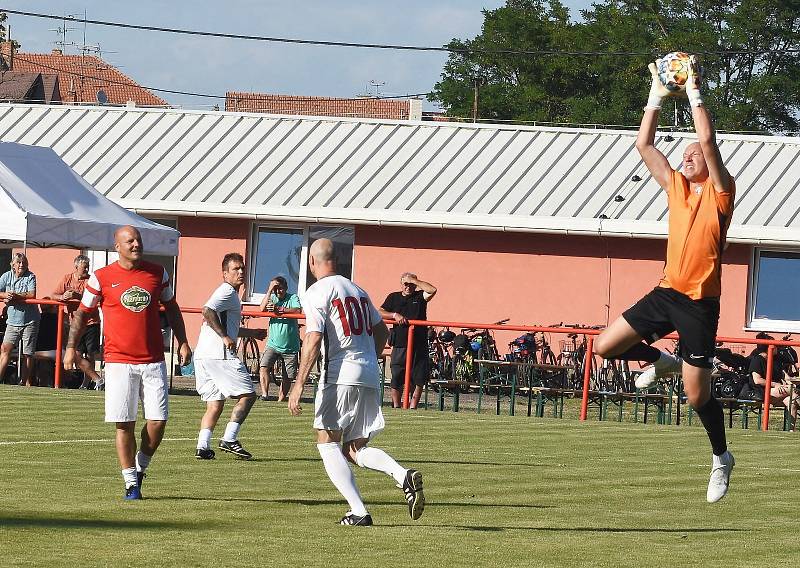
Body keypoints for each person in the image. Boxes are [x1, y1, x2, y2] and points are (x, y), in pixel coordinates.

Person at [594, 56, 736, 503]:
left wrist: (693, 89)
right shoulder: (675, 186)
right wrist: (656, 97)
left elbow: (708, 140)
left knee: (697, 397)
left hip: (698, 305)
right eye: (685, 153)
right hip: (666, 292)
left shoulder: (721, 194)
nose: (688, 154)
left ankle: (721, 458)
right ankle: (664, 360)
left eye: (693, 154)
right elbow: (643, 145)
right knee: (604, 346)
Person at [288, 239, 425, 526]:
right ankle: (402, 476)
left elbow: (313, 337)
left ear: (313, 262)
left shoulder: (317, 291)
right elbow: (382, 333)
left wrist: (298, 383)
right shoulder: (358, 290)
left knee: (326, 442)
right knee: (353, 449)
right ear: (336, 260)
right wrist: (369, 360)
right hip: (369, 374)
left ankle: (359, 511)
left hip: (339, 375)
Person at [64, 225, 191, 500]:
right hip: (119, 362)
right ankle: (130, 483)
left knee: (158, 421)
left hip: (153, 361)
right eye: (130, 241)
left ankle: (140, 468)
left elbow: (172, 308)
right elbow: (82, 314)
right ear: (116, 247)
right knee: (125, 424)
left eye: (138, 240)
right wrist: (70, 348)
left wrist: (182, 340)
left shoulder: (158, 273)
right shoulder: (100, 278)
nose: (136, 244)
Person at [193, 253, 266, 460]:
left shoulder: (231, 295)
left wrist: (251, 333)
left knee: (215, 404)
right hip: (219, 355)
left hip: (204, 355)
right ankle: (229, 439)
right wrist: (225, 337)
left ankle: (203, 447)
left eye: (242, 268)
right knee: (248, 395)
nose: (241, 272)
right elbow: (207, 311)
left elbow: (222, 323)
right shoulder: (226, 291)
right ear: (225, 274)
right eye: (235, 269)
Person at [379, 273, 437, 409]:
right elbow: (380, 311)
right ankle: (397, 406)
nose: (408, 286)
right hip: (400, 343)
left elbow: (432, 290)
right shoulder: (393, 297)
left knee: (418, 377)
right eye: (406, 283)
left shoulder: (420, 296)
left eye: (411, 284)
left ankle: (413, 407)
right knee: (397, 375)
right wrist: (394, 315)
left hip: (419, 344)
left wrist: (415, 280)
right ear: (401, 284)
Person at [52, 254, 102, 389]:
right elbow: (53, 295)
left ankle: (87, 383)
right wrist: (63, 296)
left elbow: (94, 298)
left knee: (91, 354)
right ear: (76, 267)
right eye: (84, 268)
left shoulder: (91, 280)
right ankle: (97, 378)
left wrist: (77, 296)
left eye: (87, 267)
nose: (86, 270)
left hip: (92, 322)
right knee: (75, 354)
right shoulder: (66, 278)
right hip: (75, 324)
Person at [258, 276, 302, 402]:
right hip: (273, 344)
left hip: (290, 345)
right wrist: (269, 291)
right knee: (264, 367)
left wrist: (281, 310)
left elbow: (298, 310)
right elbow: (261, 308)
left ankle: (280, 400)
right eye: (276, 289)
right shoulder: (272, 298)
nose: (278, 292)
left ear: (286, 288)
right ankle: (265, 395)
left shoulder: (293, 297)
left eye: (280, 289)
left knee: (287, 376)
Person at [0, 253, 40, 387]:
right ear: (13, 264)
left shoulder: (31, 276)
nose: (21, 265)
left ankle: (23, 383)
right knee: (5, 349)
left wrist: (15, 296)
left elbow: (31, 294)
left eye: (24, 262)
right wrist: (5, 294)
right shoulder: (6, 276)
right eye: (18, 262)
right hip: (12, 321)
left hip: (30, 321)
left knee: (28, 353)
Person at [747, 334, 798, 431]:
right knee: (792, 392)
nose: (776, 347)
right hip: (762, 391)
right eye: (774, 344)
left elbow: (784, 376)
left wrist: (791, 381)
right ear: (769, 347)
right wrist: (776, 384)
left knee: (792, 401)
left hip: (778, 391)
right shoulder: (757, 360)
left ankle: (791, 431)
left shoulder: (776, 360)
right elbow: (757, 380)